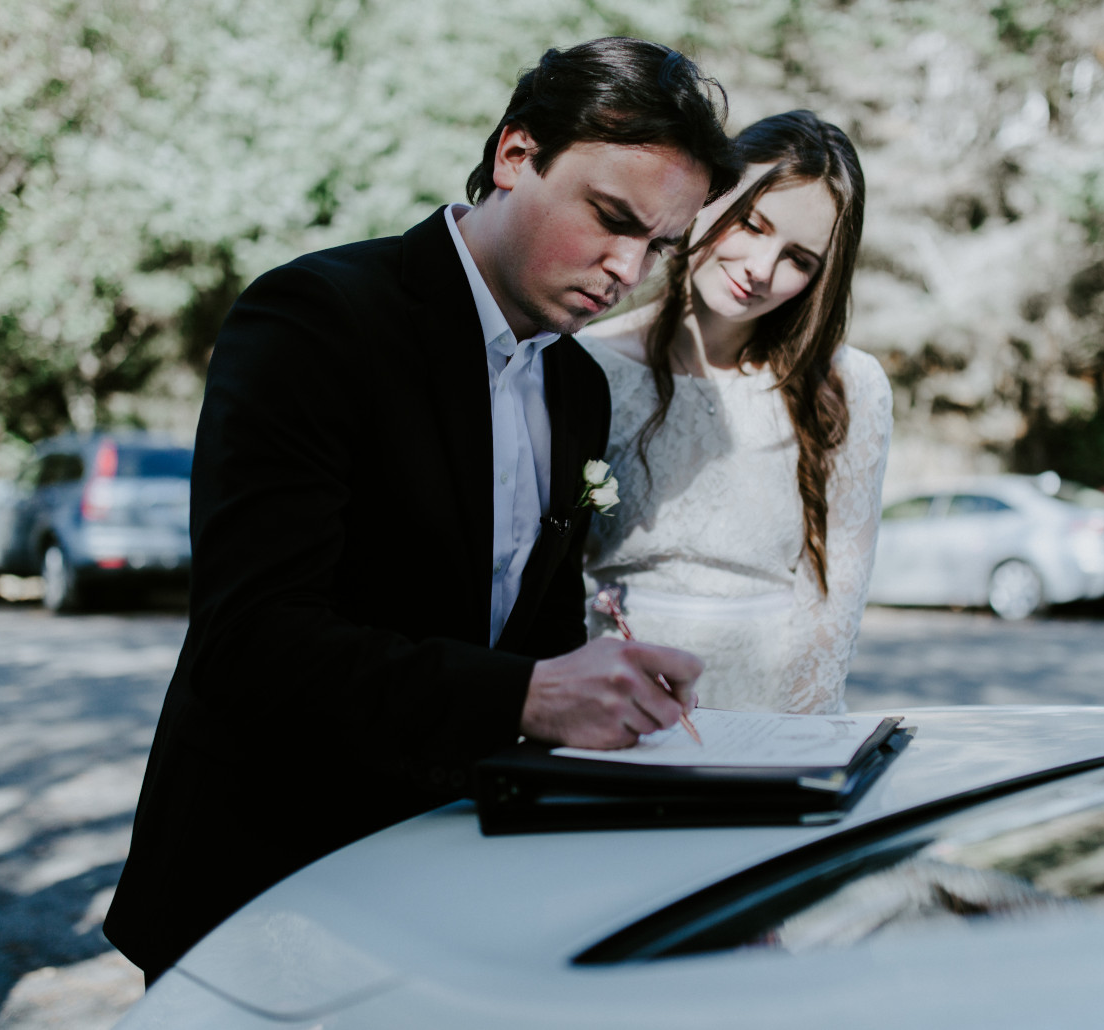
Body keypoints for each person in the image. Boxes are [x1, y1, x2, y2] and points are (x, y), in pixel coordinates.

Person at [104, 38, 742, 983]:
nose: (625, 268)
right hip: (267, 875)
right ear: (515, 155)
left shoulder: (578, 386)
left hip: (455, 883)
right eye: (611, 218)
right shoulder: (314, 319)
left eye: (658, 247)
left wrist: (596, 697)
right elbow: (251, 640)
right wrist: (525, 698)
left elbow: (526, 630)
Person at [579, 110, 891, 715]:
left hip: (768, 713)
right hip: (615, 701)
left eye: (799, 258)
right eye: (751, 223)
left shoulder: (847, 385)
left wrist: (796, 745)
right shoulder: (585, 364)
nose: (761, 269)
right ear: (708, 194)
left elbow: (835, 604)